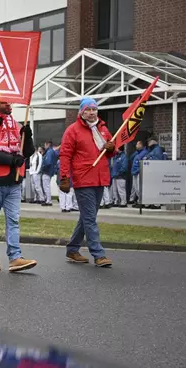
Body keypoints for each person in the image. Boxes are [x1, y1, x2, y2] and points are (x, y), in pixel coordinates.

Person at [0, 100, 36, 272]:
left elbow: (26, 152)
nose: (10, 105)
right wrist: (11, 160)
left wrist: (28, 136)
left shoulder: (16, 125)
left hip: (14, 183)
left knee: (13, 221)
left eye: (10, 102)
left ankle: (15, 257)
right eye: (5, 102)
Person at [59, 97, 114, 267]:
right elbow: (65, 155)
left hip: (100, 178)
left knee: (87, 217)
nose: (91, 112)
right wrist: (64, 177)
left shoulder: (103, 129)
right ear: (81, 112)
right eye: (88, 109)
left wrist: (112, 148)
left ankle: (73, 249)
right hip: (83, 179)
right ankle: (98, 254)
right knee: (90, 218)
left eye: (94, 109)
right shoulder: (72, 130)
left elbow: (110, 152)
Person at [130, 139, 148, 207]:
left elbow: (142, 163)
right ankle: (139, 200)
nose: (136, 145)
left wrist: (138, 170)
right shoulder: (138, 153)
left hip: (138, 172)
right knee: (135, 188)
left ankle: (141, 201)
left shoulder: (144, 152)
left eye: (137, 144)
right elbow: (130, 158)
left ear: (141, 145)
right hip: (134, 172)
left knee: (139, 188)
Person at [41, 140, 58, 206]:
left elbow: (48, 162)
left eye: (45, 145)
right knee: (46, 186)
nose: (45, 146)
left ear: (48, 144)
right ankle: (48, 199)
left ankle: (48, 200)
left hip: (46, 171)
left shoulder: (49, 152)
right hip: (49, 171)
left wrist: (43, 168)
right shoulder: (52, 151)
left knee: (46, 186)